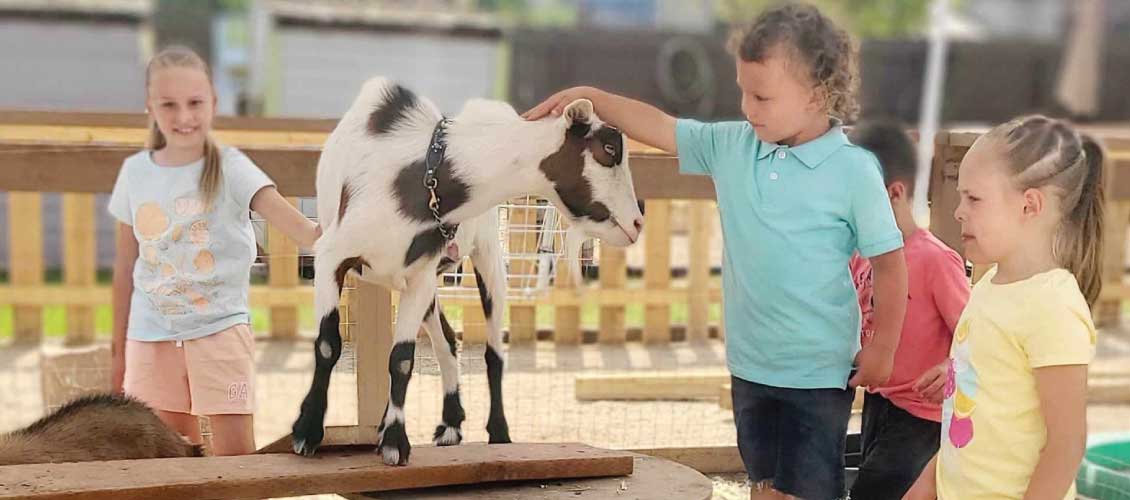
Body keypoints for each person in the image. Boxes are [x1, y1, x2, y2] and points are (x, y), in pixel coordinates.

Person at [524, 4, 908, 499]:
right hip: (749, 368)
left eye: (762, 96)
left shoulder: (854, 171)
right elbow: (660, 126)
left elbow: (890, 265)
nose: (747, 108)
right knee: (763, 486)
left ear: (817, 94)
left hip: (818, 376)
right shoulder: (731, 146)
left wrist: (884, 348)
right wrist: (592, 97)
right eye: (743, 91)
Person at [109, 45, 321, 456]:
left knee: (236, 459)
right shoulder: (134, 173)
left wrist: (340, 234)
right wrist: (118, 355)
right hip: (150, 340)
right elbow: (124, 270)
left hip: (219, 334)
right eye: (169, 105)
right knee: (170, 460)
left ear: (213, 103)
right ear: (150, 106)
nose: (183, 116)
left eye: (194, 103)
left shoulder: (231, 166)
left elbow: (304, 231)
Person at [904, 115, 1102, 499]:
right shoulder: (989, 283)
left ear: (1029, 205)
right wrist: (927, 484)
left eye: (974, 198)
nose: (959, 211)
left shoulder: (1053, 308)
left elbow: (1066, 446)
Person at [846, 119, 970, 500]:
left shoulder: (935, 260)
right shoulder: (860, 255)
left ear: (894, 193)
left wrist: (952, 367)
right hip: (879, 401)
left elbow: (977, 333)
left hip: (923, 415)